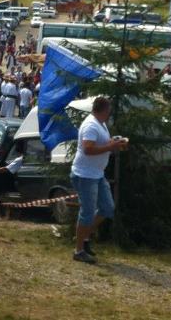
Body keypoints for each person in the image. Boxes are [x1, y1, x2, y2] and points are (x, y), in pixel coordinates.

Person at [70, 97, 128, 264]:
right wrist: (111, 147)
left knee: (107, 208)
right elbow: (88, 149)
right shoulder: (91, 125)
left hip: (96, 173)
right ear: (104, 110)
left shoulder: (100, 123)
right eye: (108, 109)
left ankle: (85, 238)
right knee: (87, 212)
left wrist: (113, 142)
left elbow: (100, 144)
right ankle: (78, 250)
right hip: (85, 174)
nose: (110, 112)